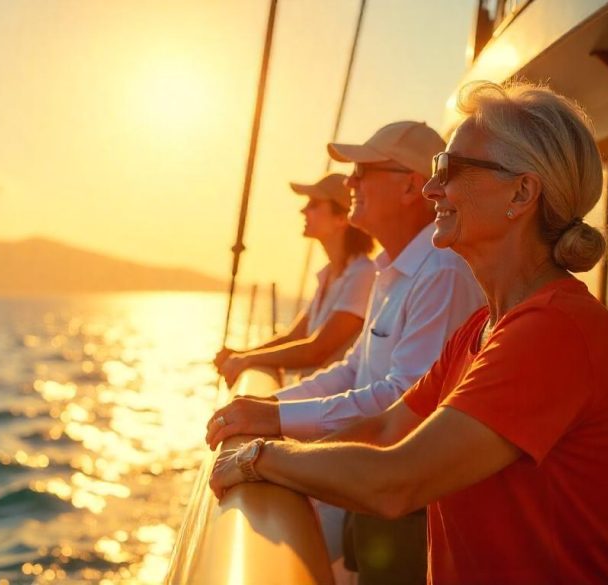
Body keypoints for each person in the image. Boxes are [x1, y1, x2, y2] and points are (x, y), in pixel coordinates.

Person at [209, 81, 608, 584]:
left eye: (450, 169)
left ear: (521, 192)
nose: (431, 188)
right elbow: (383, 430)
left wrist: (261, 458)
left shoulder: (555, 329)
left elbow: (397, 481)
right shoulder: (481, 328)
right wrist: (277, 447)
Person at [207, 121, 484, 585]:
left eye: (362, 170)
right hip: (372, 489)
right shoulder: (391, 271)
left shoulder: (442, 274)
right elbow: (353, 367)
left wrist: (276, 426)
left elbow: (401, 400)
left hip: (412, 514)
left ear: (411, 186)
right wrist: (271, 406)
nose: (350, 182)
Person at [214, 173, 375, 386]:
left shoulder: (363, 275)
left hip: (332, 411)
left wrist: (248, 358)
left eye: (314, 204)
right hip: (311, 403)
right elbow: (294, 337)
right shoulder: (328, 274)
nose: (303, 211)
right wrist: (241, 354)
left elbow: (316, 350)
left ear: (342, 218)